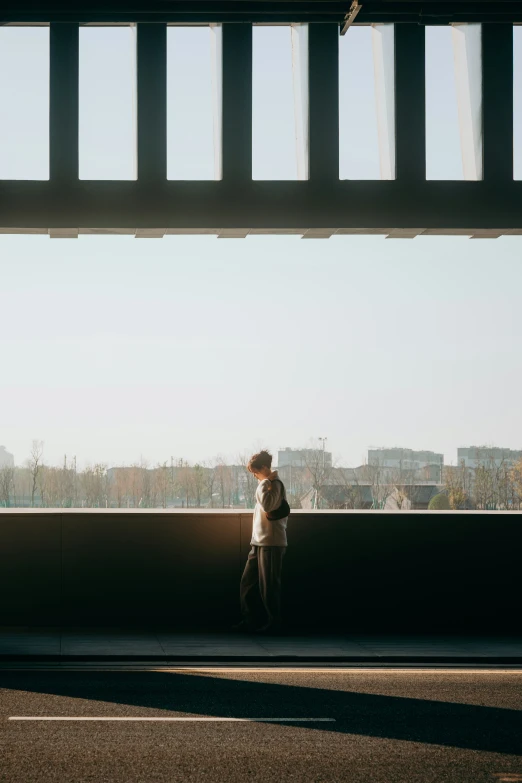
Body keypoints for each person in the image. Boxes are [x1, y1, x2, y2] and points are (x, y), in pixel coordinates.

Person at [235, 450, 289, 634]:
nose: (255, 476)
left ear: (265, 468)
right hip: (258, 541)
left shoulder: (274, 484)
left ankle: (275, 623)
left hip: (272, 543)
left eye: (256, 472)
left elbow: (267, 505)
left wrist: (264, 482)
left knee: (269, 586)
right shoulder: (266, 484)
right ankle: (250, 620)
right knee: (247, 583)